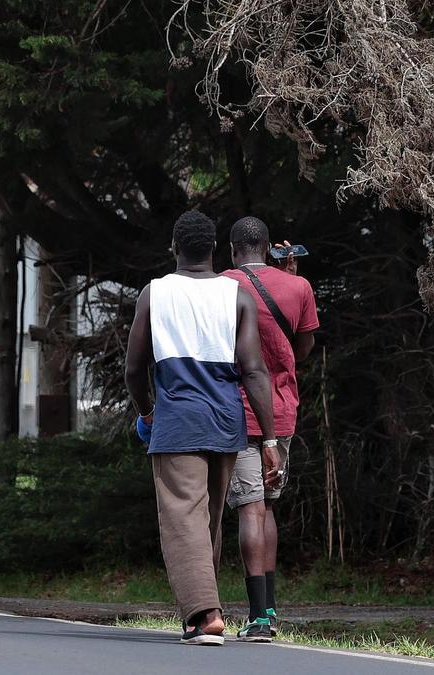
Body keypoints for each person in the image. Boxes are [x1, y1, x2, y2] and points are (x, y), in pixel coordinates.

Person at [124, 210, 279, 646]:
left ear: (174, 248)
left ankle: (204, 616)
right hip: (227, 421)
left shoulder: (155, 294)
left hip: (178, 419)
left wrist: (147, 410)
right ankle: (203, 610)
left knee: (182, 518)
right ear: (214, 250)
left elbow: (135, 369)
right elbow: (254, 371)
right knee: (206, 519)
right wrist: (268, 439)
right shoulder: (237, 296)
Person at [221, 216, 319, 642]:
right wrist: (290, 279)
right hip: (281, 411)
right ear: (269, 248)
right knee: (269, 507)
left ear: (232, 249)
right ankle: (271, 609)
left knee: (249, 508)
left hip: (237, 410)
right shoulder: (299, 287)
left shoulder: (221, 284)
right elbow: (303, 347)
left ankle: (258, 616)